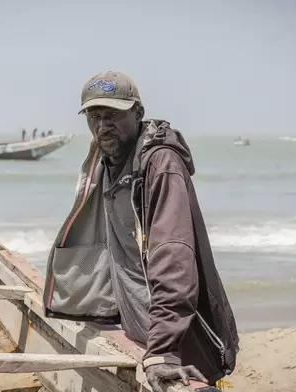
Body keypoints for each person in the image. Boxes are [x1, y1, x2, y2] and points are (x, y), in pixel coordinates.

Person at [42, 71, 239, 392]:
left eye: (113, 115)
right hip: (141, 329)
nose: (103, 125)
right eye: (94, 116)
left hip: (178, 340)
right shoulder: (106, 162)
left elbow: (173, 257)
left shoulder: (159, 164)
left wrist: (162, 351)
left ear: (138, 113)